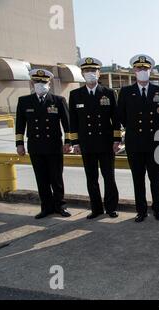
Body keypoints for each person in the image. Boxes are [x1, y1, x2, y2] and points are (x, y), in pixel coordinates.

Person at [117, 54, 159, 223]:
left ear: (150, 70)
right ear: (134, 71)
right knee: (138, 179)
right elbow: (122, 116)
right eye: (139, 68)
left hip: (154, 143)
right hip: (135, 144)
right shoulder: (126, 92)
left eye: (145, 69)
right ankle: (141, 211)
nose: (142, 71)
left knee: (155, 179)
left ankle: (158, 209)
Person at [69, 57, 121, 220]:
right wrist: (75, 142)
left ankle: (111, 207)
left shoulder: (108, 93)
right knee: (91, 178)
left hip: (105, 143)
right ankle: (96, 208)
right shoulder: (76, 94)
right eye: (87, 71)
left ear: (99, 74)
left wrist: (116, 140)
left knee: (109, 177)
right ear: (82, 74)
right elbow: (73, 121)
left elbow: (116, 119)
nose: (90, 74)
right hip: (87, 143)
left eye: (93, 71)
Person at [15, 69, 72, 219]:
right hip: (36, 146)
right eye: (37, 82)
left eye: (44, 82)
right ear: (32, 83)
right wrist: (19, 144)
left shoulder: (58, 101)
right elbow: (20, 125)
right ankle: (46, 207)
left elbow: (67, 124)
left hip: (54, 146)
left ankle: (60, 206)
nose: (40, 84)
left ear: (49, 83)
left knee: (56, 178)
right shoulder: (24, 101)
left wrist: (68, 142)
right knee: (41, 179)